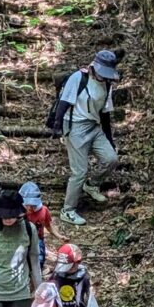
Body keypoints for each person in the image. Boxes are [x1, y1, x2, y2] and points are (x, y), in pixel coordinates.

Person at [52, 50, 120, 226]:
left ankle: (92, 184)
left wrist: (109, 140)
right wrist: (58, 127)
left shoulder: (107, 84)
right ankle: (67, 210)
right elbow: (63, 103)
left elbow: (105, 114)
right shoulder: (79, 78)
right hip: (75, 126)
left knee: (111, 158)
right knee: (79, 171)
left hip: (94, 126)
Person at [18, 181, 68, 269]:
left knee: (40, 259)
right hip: (20, 239)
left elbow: (48, 226)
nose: (30, 208)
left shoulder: (43, 211)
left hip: (37, 239)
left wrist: (59, 236)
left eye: (33, 205)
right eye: (27, 205)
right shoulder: (18, 211)